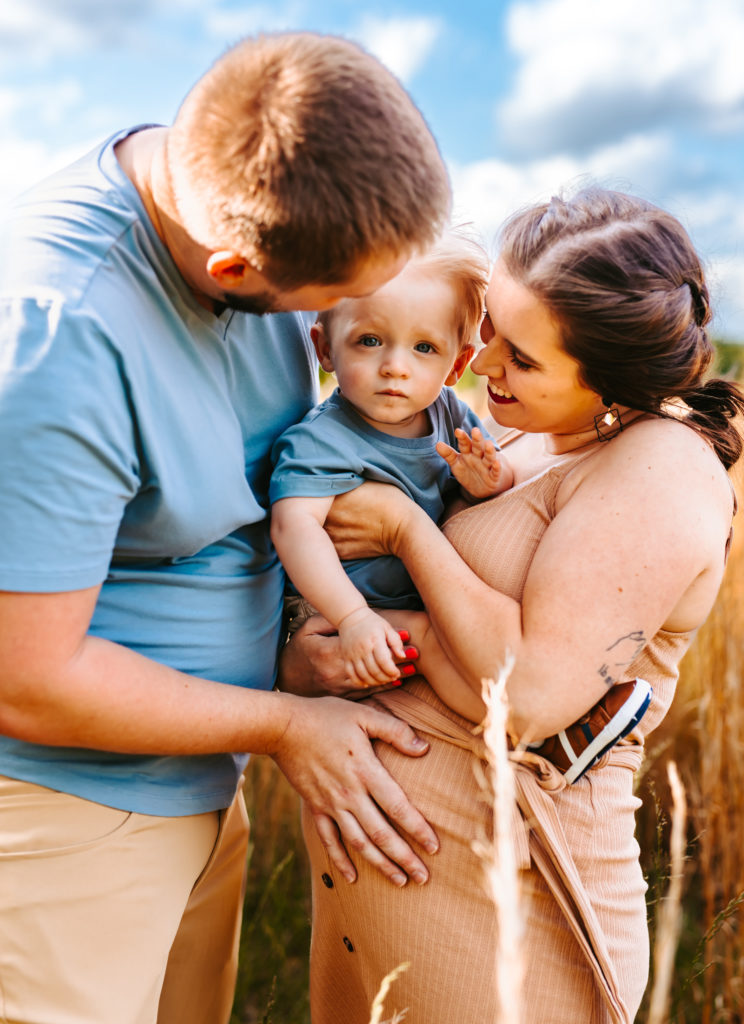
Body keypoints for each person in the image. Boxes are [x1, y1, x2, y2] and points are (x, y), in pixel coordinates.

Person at [0, 31, 455, 1024]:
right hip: (60, 823)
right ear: (234, 265)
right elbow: (24, 679)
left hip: (201, 777)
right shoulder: (53, 340)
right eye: (333, 310)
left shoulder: (244, 196)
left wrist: (290, 657)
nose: (334, 333)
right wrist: (287, 723)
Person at [280, 187, 743, 1023]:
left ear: (612, 380)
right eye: (489, 326)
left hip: (505, 911)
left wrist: (403, 536)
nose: (481, 362)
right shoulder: (515, 430)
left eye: (519, 357)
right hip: (382, 884)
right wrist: (307, 662)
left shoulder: (658, 472)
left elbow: (526, 697)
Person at [270, 231, 513, 694]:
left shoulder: (450, 413)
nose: (395, 367)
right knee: (429, 640)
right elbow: (293, 529)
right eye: (370, 340)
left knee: (457, 637)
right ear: (324, 349)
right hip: (333, 609)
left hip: (408, 598)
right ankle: (528, 728)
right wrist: (353, 616)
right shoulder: (320, 440)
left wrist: (487, 482)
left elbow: (499, 474)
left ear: (457, 365)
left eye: (424, 348)